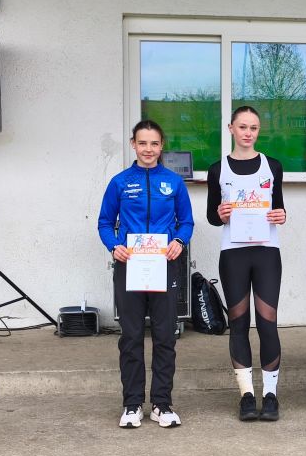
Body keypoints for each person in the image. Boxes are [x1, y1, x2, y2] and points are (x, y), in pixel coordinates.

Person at [98, 119, 194, 429]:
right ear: (133, 145)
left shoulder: (174, 182)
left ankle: (162, 404)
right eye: (142, 143)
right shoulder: (120, 182)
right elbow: (104, 223)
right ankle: (132, 404)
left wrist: (180, 241)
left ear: (161, 145)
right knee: (131, 336)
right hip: (130, 267)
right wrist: (114, 246)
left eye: (154, 143)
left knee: (165, 336)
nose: (148, 149)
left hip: (164, 266)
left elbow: (186, 222)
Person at [206, 105, 286, 422]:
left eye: (253, 128)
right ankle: (247, 396)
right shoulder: (218, 169)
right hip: (233, 253)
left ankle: (270, 395)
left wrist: (281, 215)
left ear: (258, 131)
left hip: (266, 252)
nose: (248, 133)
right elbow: (213, 217)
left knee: (267, 322)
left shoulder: (273, 166)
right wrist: (220, 214)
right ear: (231, 128)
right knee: (238, 322)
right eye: (242, 127)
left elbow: (278, 209)